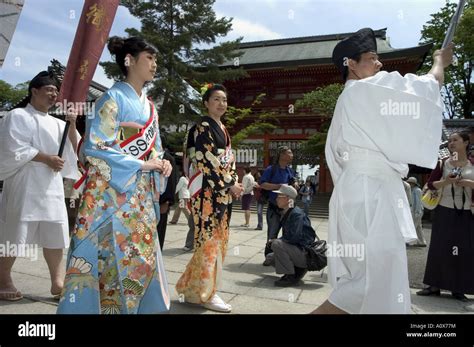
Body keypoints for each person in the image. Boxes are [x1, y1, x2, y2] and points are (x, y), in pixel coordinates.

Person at [312, 28, 454, 314]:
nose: (379, 64)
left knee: (376, 278)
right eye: (372, 58)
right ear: (351, 64)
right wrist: (439, 62)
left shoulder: (350, 98)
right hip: (370, 193)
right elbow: (427, 86)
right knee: (369, 282)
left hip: (359, 189)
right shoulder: (364, 91)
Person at [57, 36, 172, 314]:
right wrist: (142, 165)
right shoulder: (110, 99)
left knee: (139, 258)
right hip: (111, 197)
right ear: (129, 60)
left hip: (140, 196)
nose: (155, 64)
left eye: (155, 59)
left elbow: (155, 148)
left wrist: (161, 162)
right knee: (109, 257)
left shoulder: (151, 108)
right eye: (149, 58)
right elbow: (96, 147)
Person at [0, 71, 80, 301]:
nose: (53, 94)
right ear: (34, 91)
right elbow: (10, 148)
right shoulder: (17, 115)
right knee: (15, 232)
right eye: (49, 90)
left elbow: (71, 151)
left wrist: (72, 124)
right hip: (24, 182)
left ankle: (57, 281)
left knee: (55, 231)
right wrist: (45, 158)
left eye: (56, 91)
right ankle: (3, 277)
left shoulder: (57, 123)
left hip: (51, 185)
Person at [176, 83, 243, 313]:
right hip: (207, 192)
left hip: (221, 193)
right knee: (209, 242)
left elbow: (229, 161)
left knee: (215, 241)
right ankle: (207, 294)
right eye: (216, 99)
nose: (222, 103)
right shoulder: (202, 127)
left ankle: (192, 288)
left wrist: (234, 182)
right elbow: (206, 161)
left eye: (224, 100)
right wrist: (229, 184)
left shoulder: (223, 128)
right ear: (205, 103)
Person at [417, 132, 474, 301]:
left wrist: (468, 183)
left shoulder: (473, 164)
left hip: (466, 212)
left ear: (465, 142)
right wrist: (446, 182)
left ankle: (459, 288)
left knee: (463, 250)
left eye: (455, 140)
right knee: (439, 247)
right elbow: (431, 185)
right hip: (444, 209)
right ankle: (433, 286)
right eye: (449, 141)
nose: (451, 143)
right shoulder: (443, 163)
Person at [267, 184, 315, 287]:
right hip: (298, 250)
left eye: (279, 197)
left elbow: (294, 237)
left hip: (304, 253)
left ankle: (290, 276)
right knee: (270, 258)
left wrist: (275, 241)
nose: (276, 199)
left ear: (288, 199)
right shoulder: (288, 212)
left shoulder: (296, 214)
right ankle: (298, 270)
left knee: (277, 244)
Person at [260, 146, 298, 265]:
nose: (292, 155)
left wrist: (295, 184)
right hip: (274, 206)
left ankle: (283, 257)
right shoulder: (271, 169)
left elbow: (293, 182)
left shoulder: (289, 170)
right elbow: (262, 184)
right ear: (281, 155)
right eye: (289, 153)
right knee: (272, 233)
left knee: (288, 233)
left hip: (287, 207)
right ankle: (269, 257)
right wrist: (278, 186)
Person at [156, 146, 178, 250]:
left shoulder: (167, 158)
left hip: (161, 202)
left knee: (159, 232)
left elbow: (172, 182)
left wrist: (167, 201)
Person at [406, 177, 426, 247]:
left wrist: (417, 212)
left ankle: (411, 242)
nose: (409, 183)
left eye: (410, 182)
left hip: (417, 211)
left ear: (413, 183)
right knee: (418, 227)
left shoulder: (417, 190)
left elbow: (418, 202)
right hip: (415, 211)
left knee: (413, 226)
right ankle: (422, 242)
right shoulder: (412, 190)